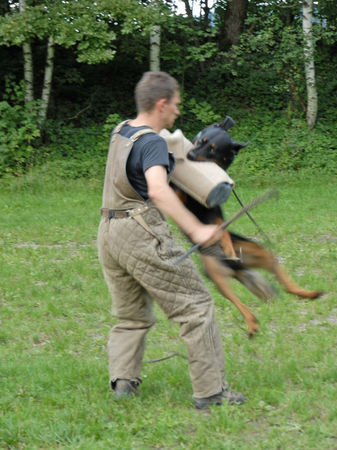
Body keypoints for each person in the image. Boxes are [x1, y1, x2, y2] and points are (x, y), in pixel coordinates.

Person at [97, 71, 246, 409]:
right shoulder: (151, 142)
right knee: (196, 306)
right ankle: (211, 393)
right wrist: (197, 229)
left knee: (130, 315)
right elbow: (158, 190)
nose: (178, 112)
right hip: (140, 233)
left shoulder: (122, 131)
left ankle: (124, 383)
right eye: (176, 105)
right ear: (162, 103)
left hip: (108, 231)